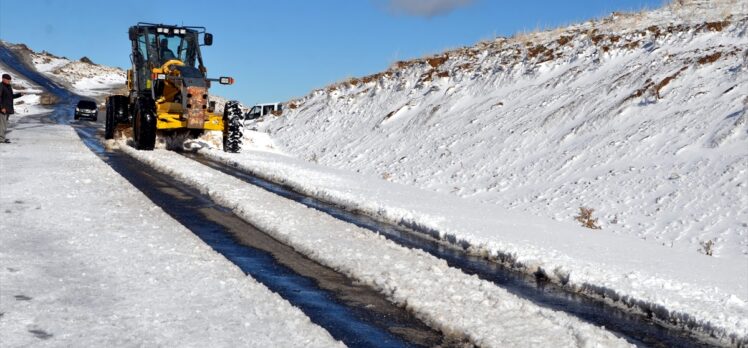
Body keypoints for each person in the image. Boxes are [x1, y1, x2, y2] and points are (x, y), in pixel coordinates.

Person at [0, 73, 22, 144]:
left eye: (10, 80)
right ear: (3, 79)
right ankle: (1, 139)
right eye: (8, 80)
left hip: (7, 108)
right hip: (2, 109)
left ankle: (2, 138)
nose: (9, 81)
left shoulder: (8, 86)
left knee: (5, 124)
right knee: (2, 125)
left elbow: (10, 96)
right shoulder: (1, 86)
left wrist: (19, 95)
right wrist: (2, 107)